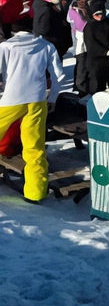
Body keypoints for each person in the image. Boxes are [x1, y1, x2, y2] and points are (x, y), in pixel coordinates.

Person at [0, 18, 65, 203]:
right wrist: (52, 98)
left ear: (13, 31)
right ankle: (35, 193)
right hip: (37, 100)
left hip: (11, 99)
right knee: (34, 149)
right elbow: (58, 75)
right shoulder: (46, 46)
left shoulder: (6, 47)